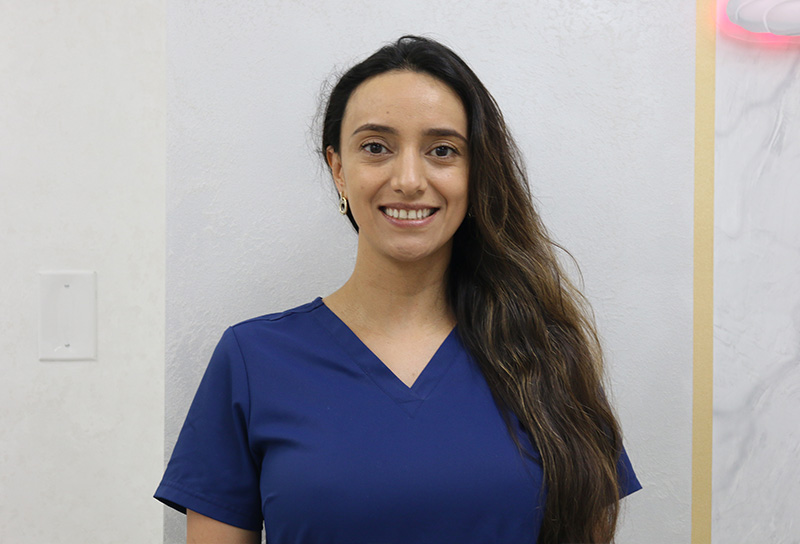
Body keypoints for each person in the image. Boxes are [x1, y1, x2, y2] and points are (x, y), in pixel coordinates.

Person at [155, 35, 641, 544]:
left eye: (442, 151)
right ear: (338, 169)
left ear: (476, 172)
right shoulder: (252, 360)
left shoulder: (550, 354)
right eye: (376, 147)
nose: (409, 180)